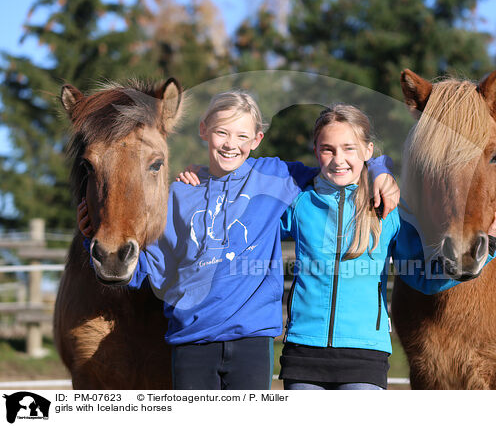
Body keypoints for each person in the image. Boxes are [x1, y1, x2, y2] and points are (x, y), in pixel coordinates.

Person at [77, 90, 398, 390]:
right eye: (222, 133)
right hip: (192, 339)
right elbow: (150, 268)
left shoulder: (276, 178)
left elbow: (339, 167)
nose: (231, 144)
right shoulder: (179, 194)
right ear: (203, 130)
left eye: (242, 135)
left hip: (252, 341)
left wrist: (380, 169)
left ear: (257, 140)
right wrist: (93, 237)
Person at [278, 104, 496, 390]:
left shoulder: (390, 211)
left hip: (365, 355)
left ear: (368, 151)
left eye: (349, 148)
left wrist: (490, 244)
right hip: (303, 352)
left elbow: (425, 277)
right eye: (328, 149)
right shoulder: (298, 205)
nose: (339, 159)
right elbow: (250, 225)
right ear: (316, 152)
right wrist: (208, 178)